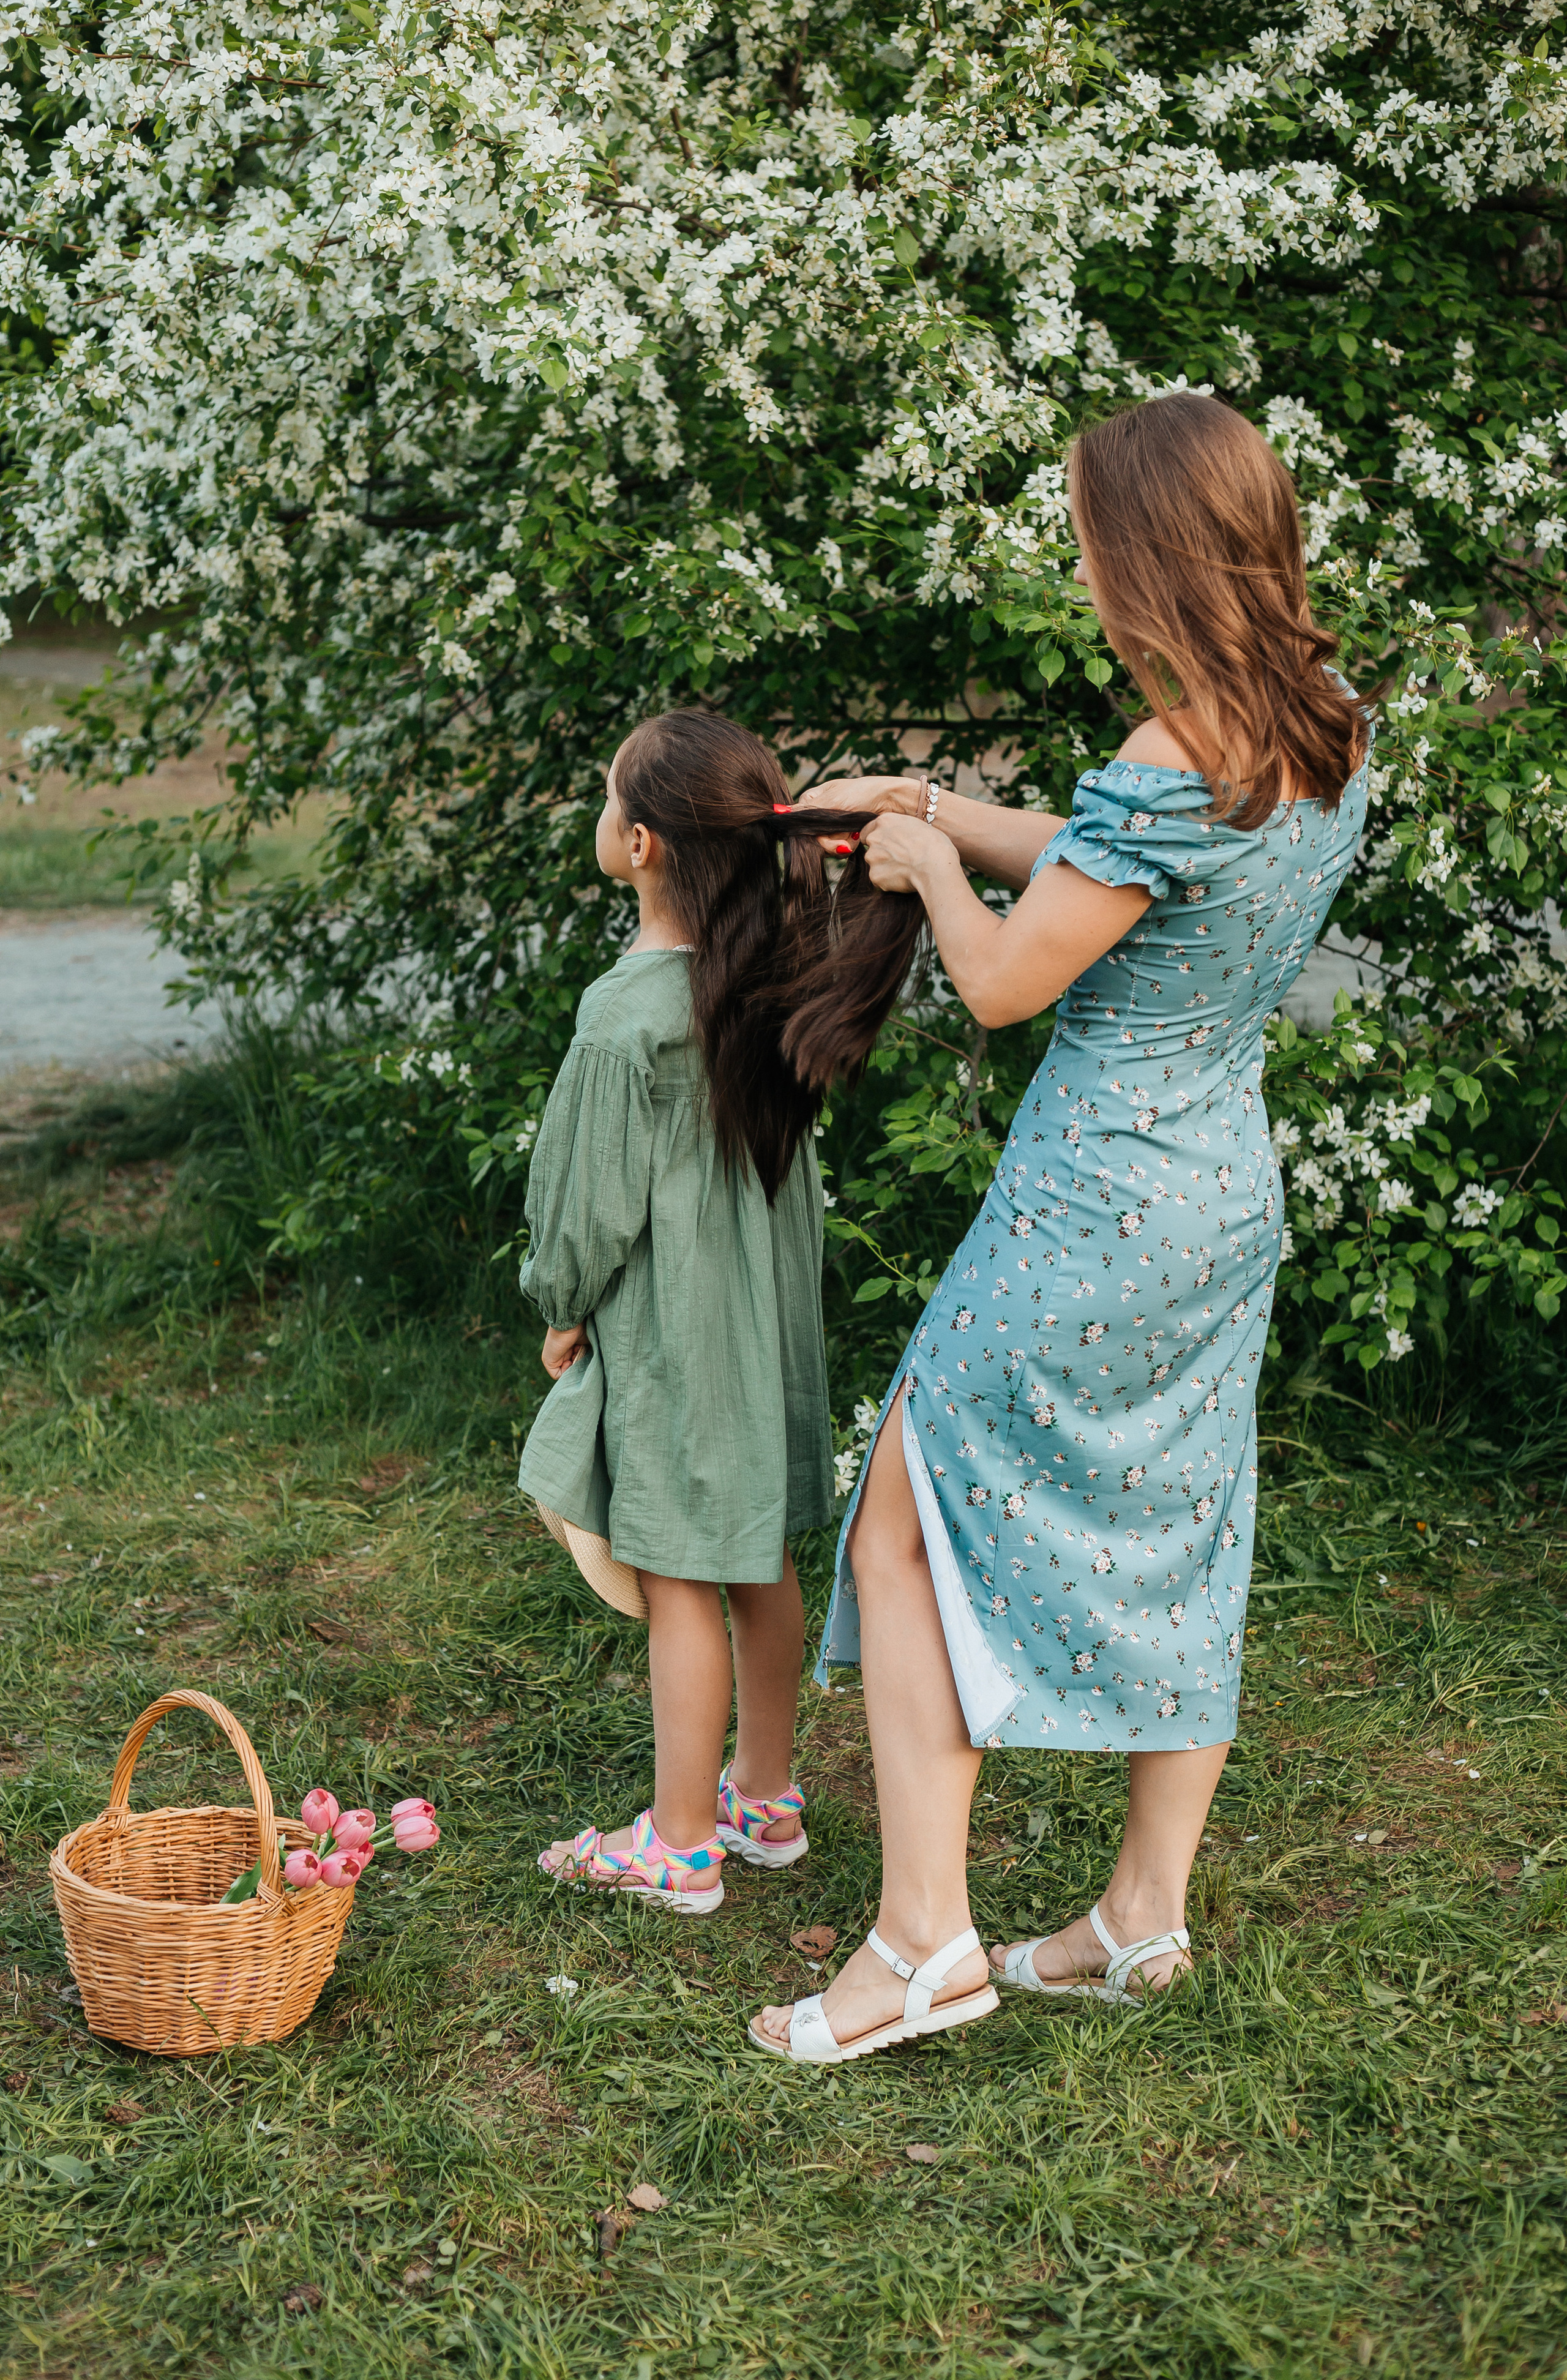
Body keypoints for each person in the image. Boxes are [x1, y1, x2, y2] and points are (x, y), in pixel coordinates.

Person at [749, 391, 1374, 2059]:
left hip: (1094, 1204)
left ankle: (920, 1944)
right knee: (1188, 1518)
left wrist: (936, 881)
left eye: (1093, 534)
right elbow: (1121, 872)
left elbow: (1016, 978)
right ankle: (1140, 1919)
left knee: (908, 1511)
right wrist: (949, 816)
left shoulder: (1167, 762)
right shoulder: (1321, 721)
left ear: (1143, 557)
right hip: (1221, 1192)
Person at [520, 709, 924, 1912]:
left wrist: (560, 1306)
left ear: (640, 845)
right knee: (756, 1560)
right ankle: (762, 1793)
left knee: (679, 1573)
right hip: (761, 1335)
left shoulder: (626, 1015)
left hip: (678, 1336)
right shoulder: (771, 983)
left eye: (607, 802)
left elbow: (588, 1207)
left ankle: (682, 1842)